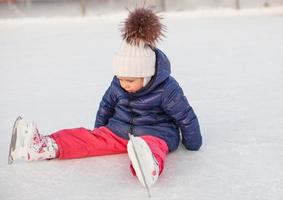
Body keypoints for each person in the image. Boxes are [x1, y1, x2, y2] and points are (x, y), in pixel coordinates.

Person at [8, 7, 202, 187]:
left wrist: (193, 144)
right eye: (121, 78)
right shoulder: (118, 84)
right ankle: (44, 145)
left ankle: (147, 165)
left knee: (153, 145)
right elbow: (106, 106)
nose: (124, 84)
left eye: (130, 80)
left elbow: (185, 116)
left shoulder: (167, 88)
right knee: (86, 139)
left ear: (147, 76)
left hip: (156, 133)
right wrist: (98, 130)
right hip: (118, 131)